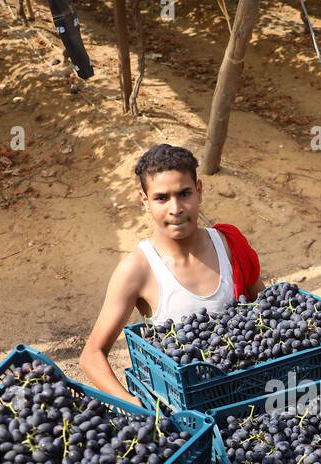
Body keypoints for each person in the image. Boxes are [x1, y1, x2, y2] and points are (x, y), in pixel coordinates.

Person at [79, 144, 262, 404]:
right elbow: (92, 355)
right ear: (145, 200)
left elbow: (266, 311)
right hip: (189, 407)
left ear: (199, 191)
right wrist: (131, 402)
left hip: (249, 392)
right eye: (161, 198)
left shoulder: (229, 243)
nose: (175, 208)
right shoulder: (138, 269)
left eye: (184, 193)